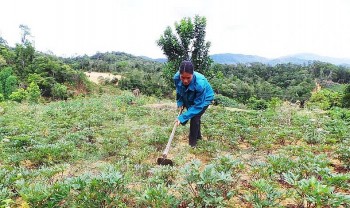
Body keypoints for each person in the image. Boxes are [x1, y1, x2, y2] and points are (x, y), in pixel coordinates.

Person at [174, 60, 215, 147]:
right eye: (183, 77)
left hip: (205, 97)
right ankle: (199, 137)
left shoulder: (200, 84)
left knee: (195, 117)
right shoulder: (176, 78)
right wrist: (180, 101)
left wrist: (182, 118)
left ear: (193, 74)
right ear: (179, 75)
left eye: (188, 78)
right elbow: (179, 90)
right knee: (194, 115)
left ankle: (192, 144)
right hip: (189, 95)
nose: (185, 81)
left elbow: (198, 106)